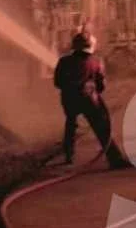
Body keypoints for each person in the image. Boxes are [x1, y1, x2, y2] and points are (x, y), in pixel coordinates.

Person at [53, 31, 129, 169]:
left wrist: (70, 89)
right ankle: (114, 158)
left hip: (69, 99)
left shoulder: (63, 61)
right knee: (101, 126)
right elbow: (101, 85)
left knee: (70, 124)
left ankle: (69, 155)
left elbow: (57, 82)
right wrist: (94, 91)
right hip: (89, 100)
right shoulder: (95, 62)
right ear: (90, 46)